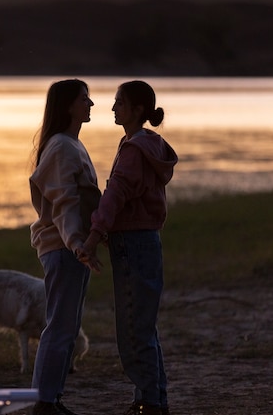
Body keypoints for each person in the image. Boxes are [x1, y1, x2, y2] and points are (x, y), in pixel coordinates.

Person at [79, 80, 178, 415]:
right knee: (143, 326)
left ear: (137, 110)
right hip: (144, 241)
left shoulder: (135, 150)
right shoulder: (145, 145)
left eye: (119, 102)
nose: (112, 108)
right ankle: (152, 398)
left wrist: (93, 236)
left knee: (133, 328)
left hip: (134, 244)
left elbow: (116, 193)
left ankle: (150, 403)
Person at [29, 79, 101, 415]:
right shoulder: (62, 147)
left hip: (70, 247)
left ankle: (50, 398)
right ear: (69, 105)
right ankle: (44, 401)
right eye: (84, 98)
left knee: (67, 325)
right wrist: (76, 244)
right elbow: (64, 203)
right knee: (60, 325)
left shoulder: (70, 145)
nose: (91, 104)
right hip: (63, 248)